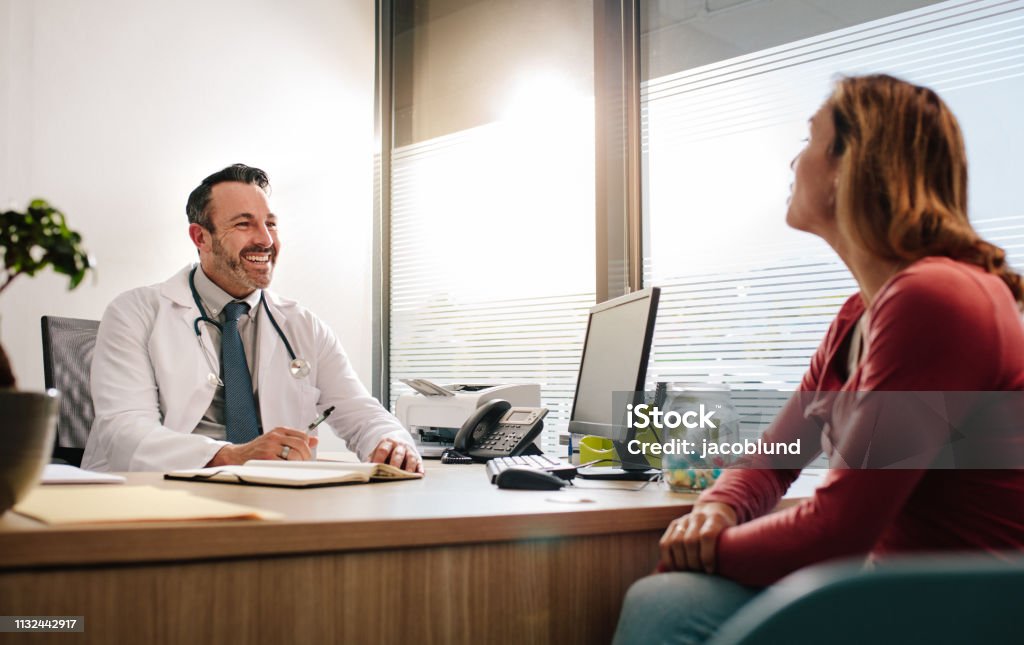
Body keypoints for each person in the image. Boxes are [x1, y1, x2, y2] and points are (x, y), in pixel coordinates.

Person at [614, 74, 1024, 643]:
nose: (793, 162)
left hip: (967, 615)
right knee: (670, 600)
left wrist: (702, 552)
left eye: (810, 139)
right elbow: (777, 458)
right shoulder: (859, 315)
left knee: (669, 604)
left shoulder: (937, 299)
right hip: (903, 592)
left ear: (847, 166)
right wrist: (718, 508)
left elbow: (839, 530)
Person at [82, 164, 421, 473]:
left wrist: (391, 441)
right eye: (244, 224)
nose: (266, 240)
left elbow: (360, 412)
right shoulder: (135, 313)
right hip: (161, 494)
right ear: (201, 238)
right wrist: (231, 456)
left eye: (270, 224)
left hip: (271, 495)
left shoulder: (303, 326)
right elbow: (124, 431)